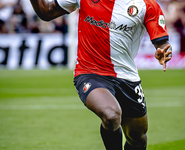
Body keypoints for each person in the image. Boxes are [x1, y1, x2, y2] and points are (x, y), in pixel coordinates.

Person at [30, 0, 172, 149]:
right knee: (111, 115)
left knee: (138, 138)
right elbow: (46, 11)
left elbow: (162, 43)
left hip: (127, 77)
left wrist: (164, 52)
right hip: (90, 72)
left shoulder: (148, 5)